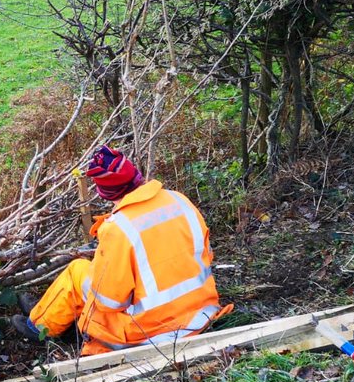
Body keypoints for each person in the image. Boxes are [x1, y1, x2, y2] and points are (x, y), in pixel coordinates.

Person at [13, 146, 231, 355]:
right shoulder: (180, 200)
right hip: (201, 312)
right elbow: (204, 256)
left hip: (154, 330)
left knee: (77, 270)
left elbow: (109, 301)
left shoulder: (119, 229)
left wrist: (101, 265)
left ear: (106, 193)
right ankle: (49, 314)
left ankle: (39, 328)